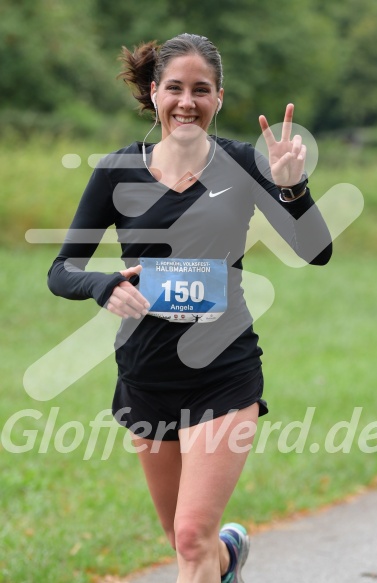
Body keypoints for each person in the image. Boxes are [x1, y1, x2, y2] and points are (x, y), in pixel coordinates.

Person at [48, 33, 332, 583]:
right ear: (154, 93)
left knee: (188, 536)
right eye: (174, 88)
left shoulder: (244, 164)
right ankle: (230, 556)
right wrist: (103, 286)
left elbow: (315, 252)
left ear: (218, 99)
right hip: (145, 373)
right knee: (188, 545)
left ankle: (215, 551)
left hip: (223, 373)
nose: (187, 101)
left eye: (201, 90)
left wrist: (294, 189)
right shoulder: (116, 170)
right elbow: (62, 270)